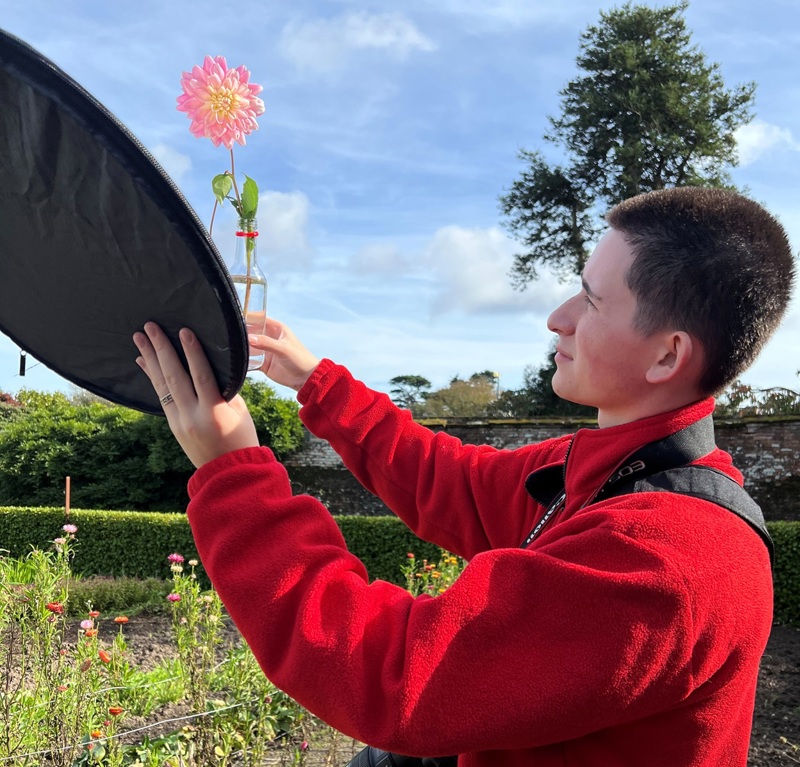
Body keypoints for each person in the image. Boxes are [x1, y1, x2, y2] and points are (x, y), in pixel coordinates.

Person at [133, 187, 794, 766]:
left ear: (668, 356)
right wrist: (317, 383)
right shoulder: (602, 468)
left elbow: (394, 675)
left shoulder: (669, 561)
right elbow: (454, 481)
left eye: (592, 301)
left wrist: (234, 474)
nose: (558, 317)